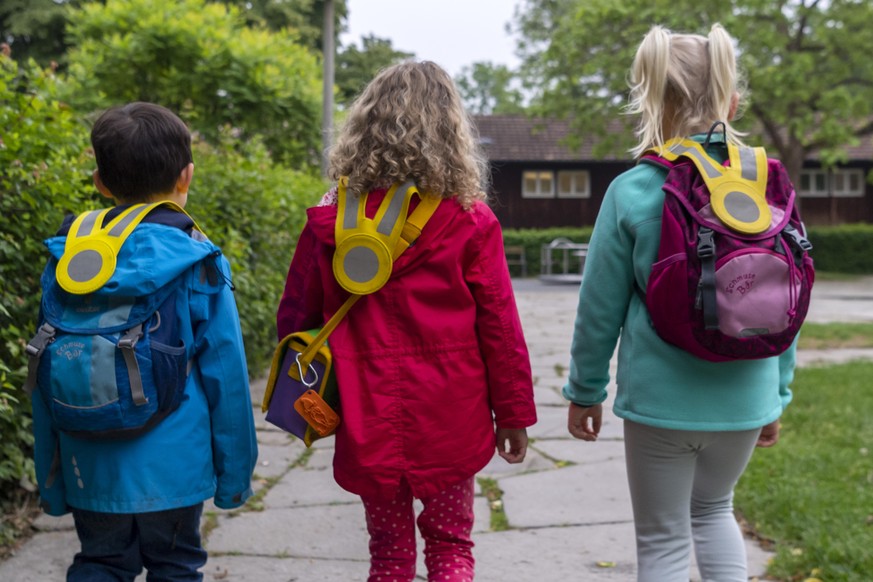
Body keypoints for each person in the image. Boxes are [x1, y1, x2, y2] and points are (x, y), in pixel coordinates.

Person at [277, 61, 537, 582]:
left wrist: (300, 391)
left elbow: (296, 317)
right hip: (450, 414)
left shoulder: (332, 217)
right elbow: (500, 329)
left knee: (390, 556)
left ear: (365, 127)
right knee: (451, 547)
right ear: (450, 131)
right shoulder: (469, 219)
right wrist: (513, 414)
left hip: (364, 408)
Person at [564, 24, 795, 582]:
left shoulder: (634, 190)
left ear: (650, 102)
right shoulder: (766, 187)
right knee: (716, 512)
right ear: (732, 101)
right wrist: (778, 392)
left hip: (660, 401)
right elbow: (785, 294)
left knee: (663, 539)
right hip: (746, 394)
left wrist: (585, 391)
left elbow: (599, 307)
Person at [30, 102, 258, 581]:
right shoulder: (196, 258)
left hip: (86, 462)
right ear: (186, 177)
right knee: (175, 566)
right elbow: (228, 375)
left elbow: (43, 369)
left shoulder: (70, 259)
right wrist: (234, 478)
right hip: (175, 468)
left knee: (99, 564)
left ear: (100, 182)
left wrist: (51, 482)